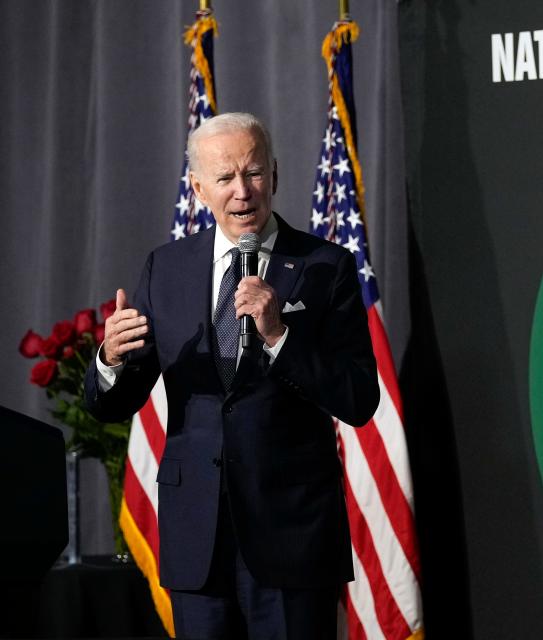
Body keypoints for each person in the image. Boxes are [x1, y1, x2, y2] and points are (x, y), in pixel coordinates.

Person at [84, 112, 379, 639]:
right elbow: (111, 405)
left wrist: (278, 337)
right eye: (225, 178)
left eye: (254, 173)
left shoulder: (324, 265)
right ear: (199, 187)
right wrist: (110, 359)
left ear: (275, 174)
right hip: (197, 537)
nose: (242, 192)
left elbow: (358, 399)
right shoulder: (166, 268)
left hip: (292, 537)